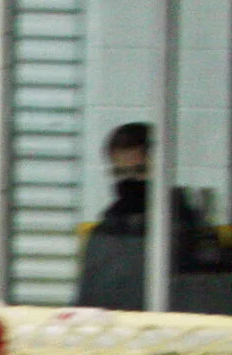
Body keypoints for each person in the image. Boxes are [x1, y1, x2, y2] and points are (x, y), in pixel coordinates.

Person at [74, 121, 215, 309]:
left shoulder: (189, 231)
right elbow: (87, 300)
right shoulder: (104, 234)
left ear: (161, 169)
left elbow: (204, 299)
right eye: (120, 172)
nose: (129, 180)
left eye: (140, 170)